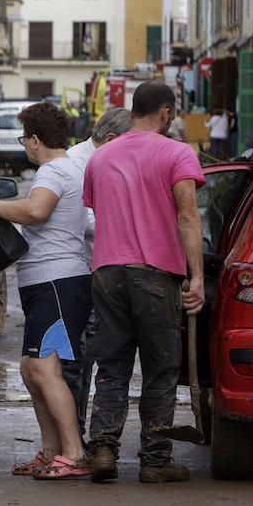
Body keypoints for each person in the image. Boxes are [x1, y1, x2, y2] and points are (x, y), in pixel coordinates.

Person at [84, 80, 206, 484]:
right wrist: (198, 277)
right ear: (167, 113)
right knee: (160, 369)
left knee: (112, 366)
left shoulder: (100, 158)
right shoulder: (177, 152)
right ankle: (155, 460)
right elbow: (188, 217)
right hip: (154, 274)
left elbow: (99, 211)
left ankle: (102, 449)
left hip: (106, 273)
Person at [0, 103, 92, 479]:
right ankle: (50, 450)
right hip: (47, 282)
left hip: (57, 281)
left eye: (25, 138)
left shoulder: (54, 172)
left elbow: (36, 211)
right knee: (31, 368)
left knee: (43, 368)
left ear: (37, 140)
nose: (25, 145)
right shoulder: (64, 169)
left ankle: (74, 453)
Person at [61, 107, 134, 443]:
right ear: (111, 139)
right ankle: (73, 436)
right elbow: (85, 221)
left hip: (101, 269)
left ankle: (79, 436)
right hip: (81, 271)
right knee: (78, 360)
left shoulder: (103, 157)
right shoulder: (79, 164)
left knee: (94, 355)